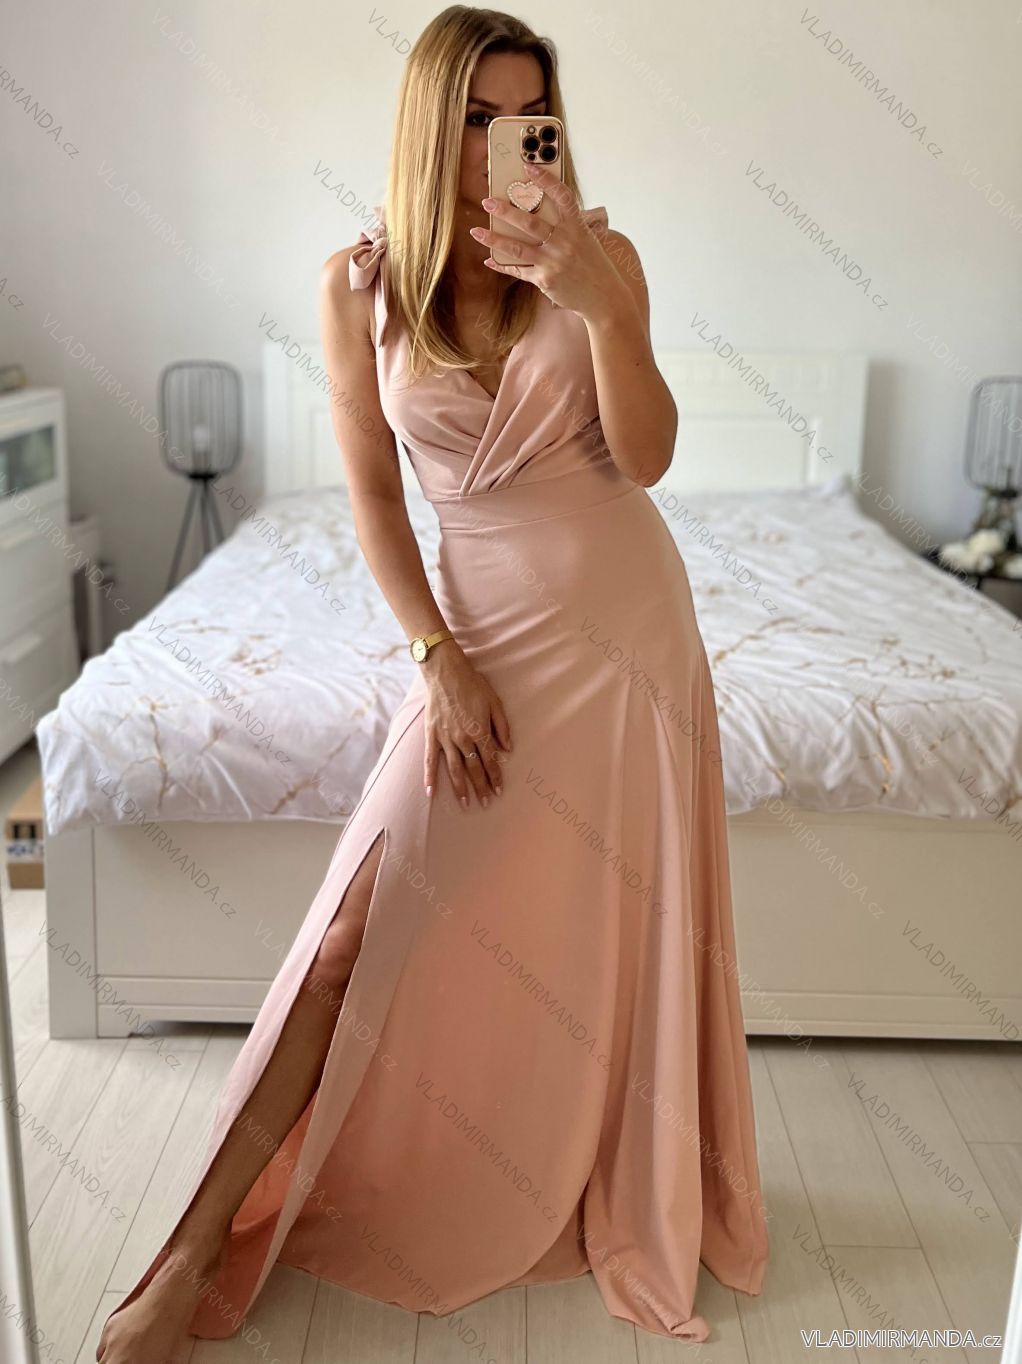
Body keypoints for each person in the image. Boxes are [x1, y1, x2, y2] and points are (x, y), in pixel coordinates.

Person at [96, 8, 768, 1360]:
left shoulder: (605, 259)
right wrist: (436, 657)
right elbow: (371, 495)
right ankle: (193, 1252)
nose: (503, 144)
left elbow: (645, 458)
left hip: (626, 643)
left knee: (608, 927)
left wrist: (598, 301)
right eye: (475, 118)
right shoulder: (359, 289)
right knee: (354, 930)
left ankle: (583, 1158)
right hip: (477, 641)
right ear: (427, 124)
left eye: (527, 119)